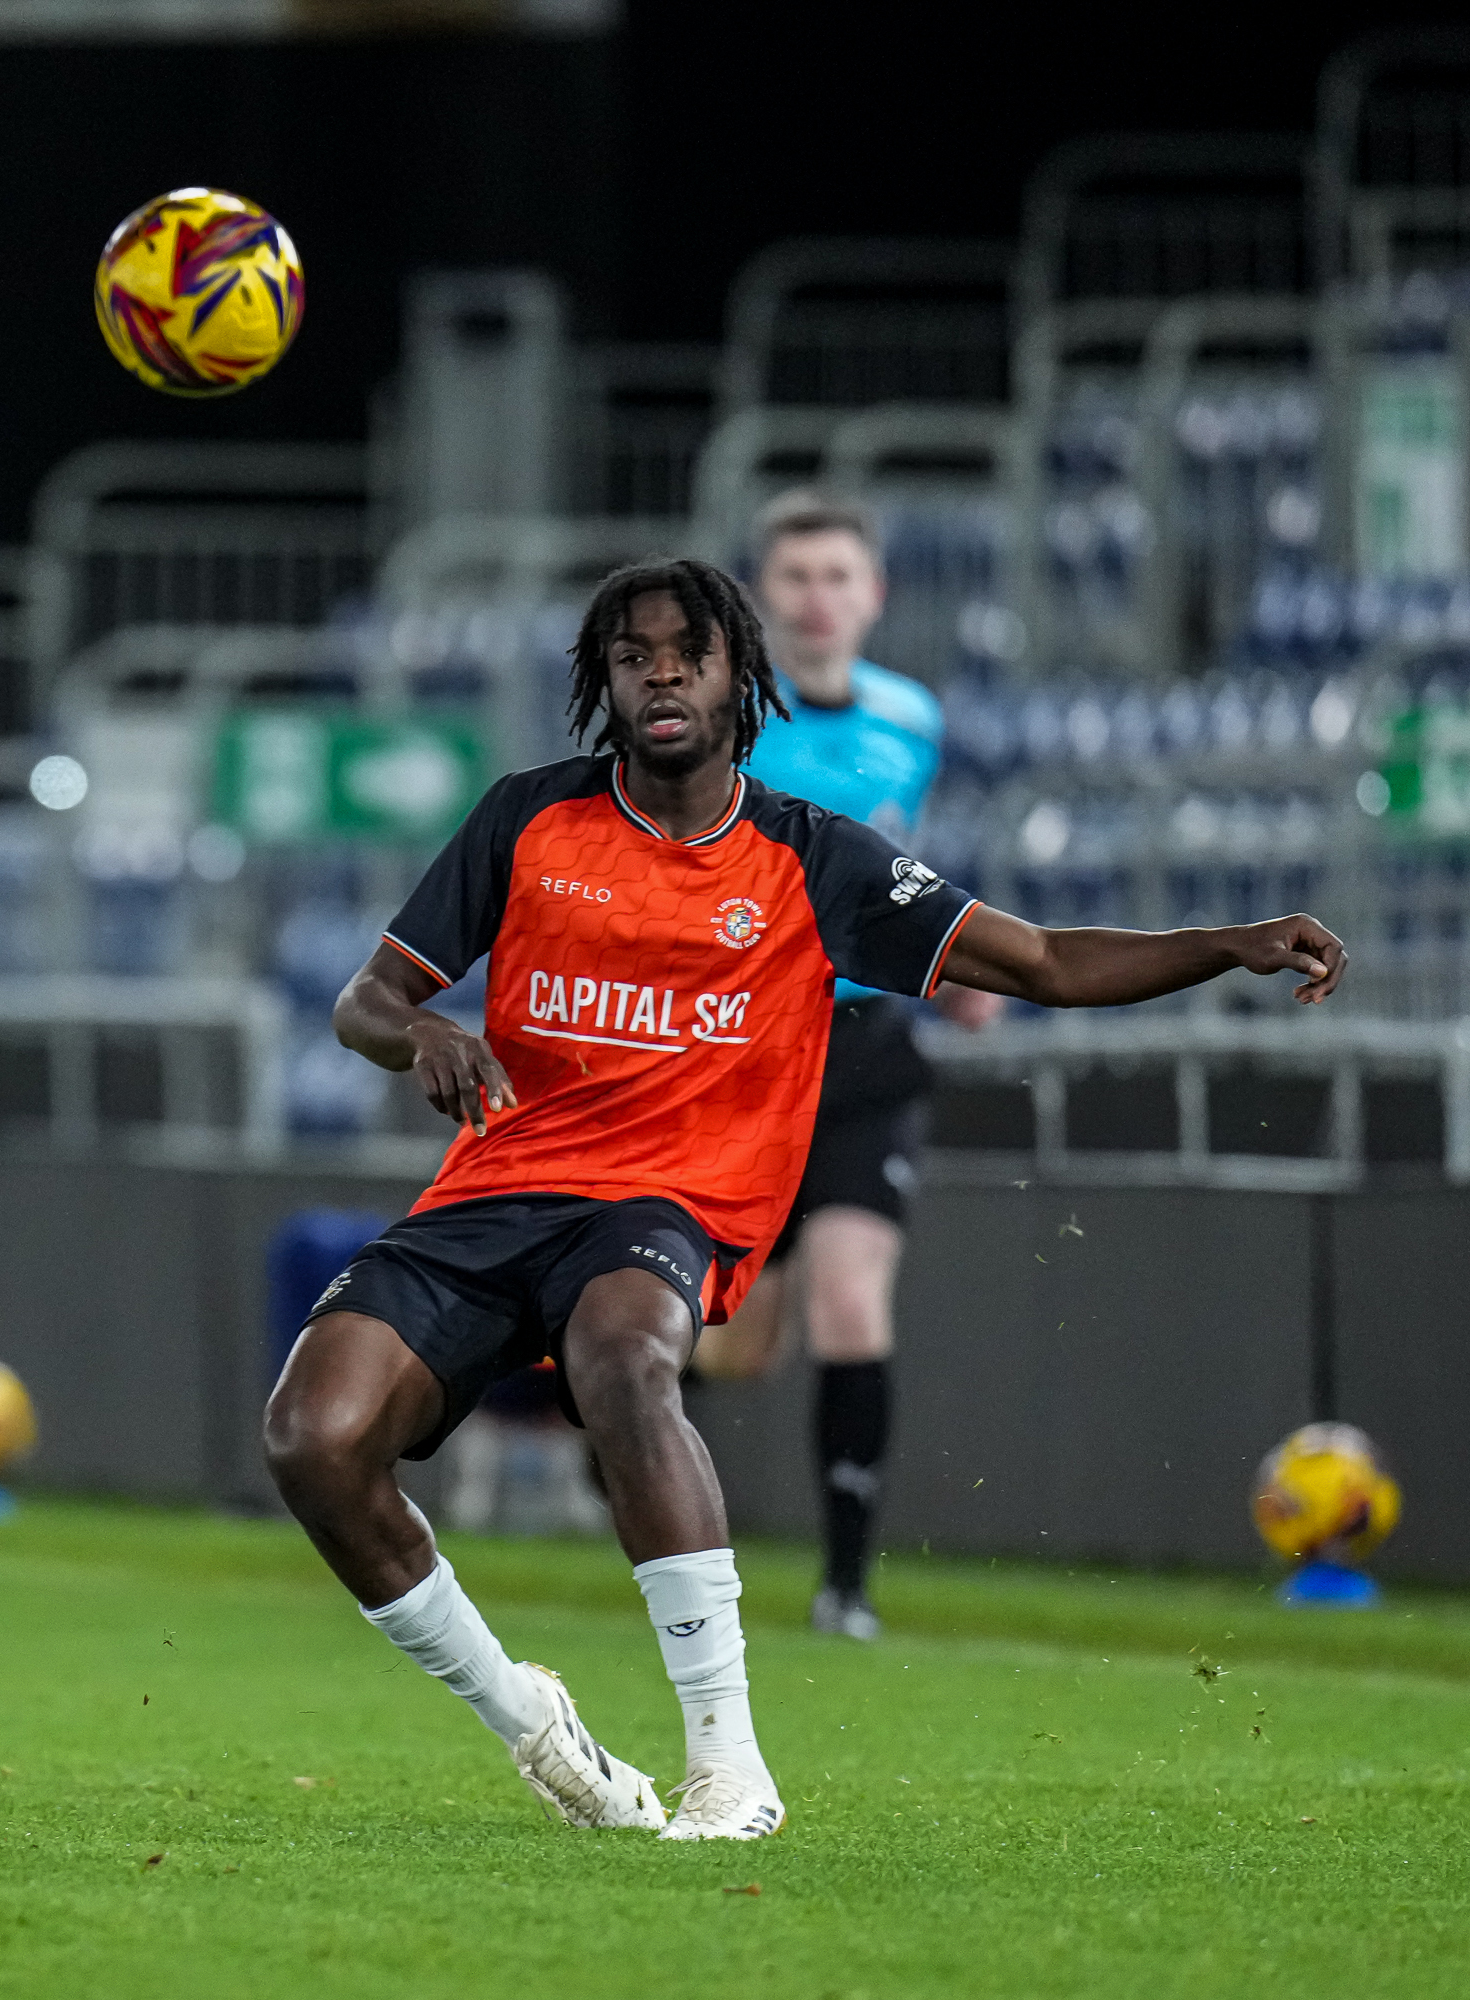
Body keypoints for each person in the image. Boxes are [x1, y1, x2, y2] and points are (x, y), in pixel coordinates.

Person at [263, 557, 1343, 1841]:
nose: (661, 669)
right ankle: (538, 1728)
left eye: (689, 650)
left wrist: (1228, 941)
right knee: (313, 1440)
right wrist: (417, 1035)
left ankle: (729, 1763)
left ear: (740, 676)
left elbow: (1044, 960)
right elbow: (364, 997)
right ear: (603, 684)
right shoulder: (525, 819)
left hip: (667, 1200)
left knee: (623, 1356)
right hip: (496, 1185)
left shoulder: (812, 857)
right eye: (633, 653)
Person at [694, 491, 1000, 1642]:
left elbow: (890, 864)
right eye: (796, 577)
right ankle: (639, 1471)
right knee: (735, 1345)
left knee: (853, 1302)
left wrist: (954, 964)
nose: (818, 598)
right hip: (741, 1053)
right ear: (762, 599)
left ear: (873, 595)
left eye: (838, 576)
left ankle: (846, 1585)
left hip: (867, 1051)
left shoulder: (911, 717)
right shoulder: (726, 720)